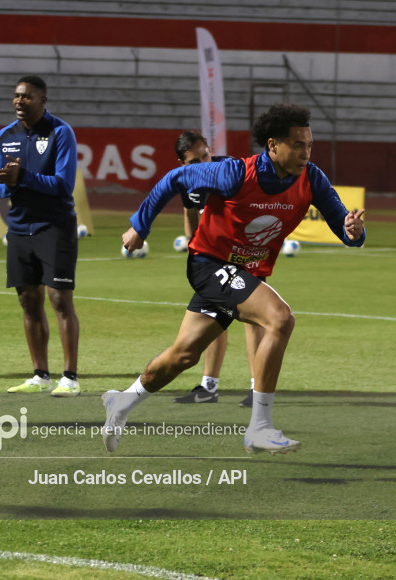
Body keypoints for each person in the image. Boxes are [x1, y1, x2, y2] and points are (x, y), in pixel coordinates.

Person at [102, 104, 365, 455]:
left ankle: (121, 402)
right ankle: (260, 427)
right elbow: (174, 180)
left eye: (309, 145)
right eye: (298, 144)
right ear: (273, 145)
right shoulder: (235, 174)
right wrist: (140, 225)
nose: (306, 153)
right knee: (280, 318)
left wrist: (353, 231)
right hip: (209, 263)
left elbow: (345, 228)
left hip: (243, 273)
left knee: (183, 356)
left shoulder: (312, 178)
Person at [0, 75, 81, 397]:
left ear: (42, 101)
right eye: (16, 96)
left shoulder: (60, 132)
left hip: (54, 226)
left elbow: (63, 184)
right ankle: (40, 375)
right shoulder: (5, 136)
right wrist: (8, 183)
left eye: (26, 97)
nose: (18, 101)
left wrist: (22, 177)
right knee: (28, 301)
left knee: (59, 299)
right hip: (19, 228)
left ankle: (70, 377)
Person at [170, 130, 263, 407]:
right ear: (182, 164)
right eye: (195, 160)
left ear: (211, 150)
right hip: (213, 259)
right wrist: (193, 246)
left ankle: (258, 389)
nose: (204, 162)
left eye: (206, 155)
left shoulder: (232, 172)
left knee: (252, 318)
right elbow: (190, 214)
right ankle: (209, 388)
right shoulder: (187, 182)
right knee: (214, 317)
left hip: (244, 253)